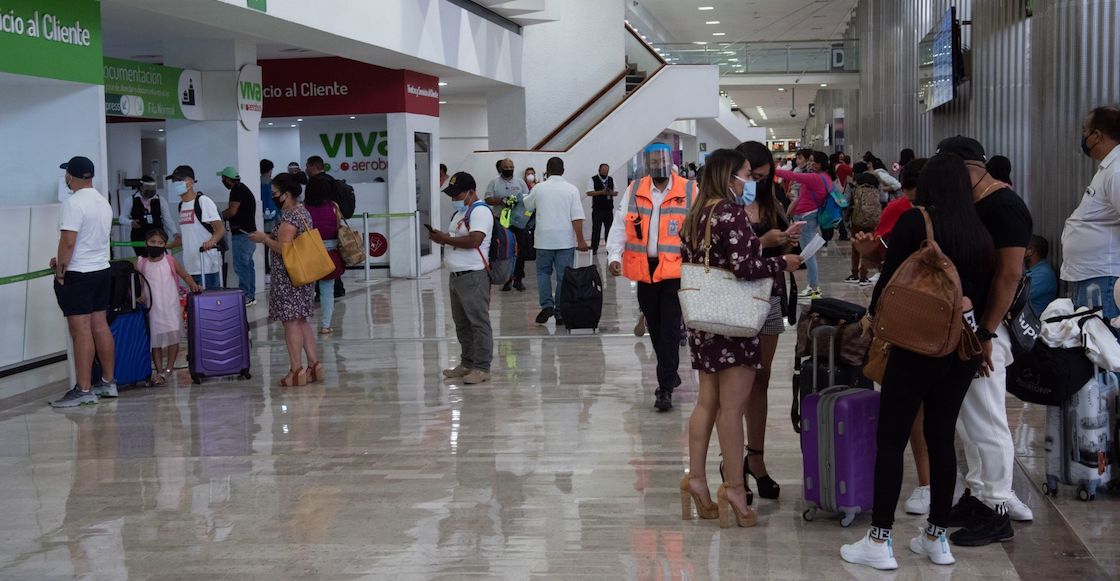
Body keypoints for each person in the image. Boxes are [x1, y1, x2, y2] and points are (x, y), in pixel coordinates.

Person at [840, 153, 995, 571]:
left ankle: (880, 539)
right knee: (942, 439)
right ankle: (937, 537)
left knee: (891, 439)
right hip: (960, 350)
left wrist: (872, 320)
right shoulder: (979, 230)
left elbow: (890, 280)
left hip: (914, 347)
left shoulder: (916, 221)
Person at [678, 148, 800, 529]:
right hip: (734, 321)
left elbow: (718, 259)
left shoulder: (697, 213)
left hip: (703, 318)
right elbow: (745, 268)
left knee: (706, 403)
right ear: (731, 175)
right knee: (732, 409)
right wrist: (785, 262)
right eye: (747, 174)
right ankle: (733, 487)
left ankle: (695, 478)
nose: (750, 181)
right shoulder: (729, 213)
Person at [936, 136, 1034, 545]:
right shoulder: (975, 205)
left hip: (987, 330)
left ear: (964, 169)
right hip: (968, 328)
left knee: (986, 419)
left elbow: (1009, 275)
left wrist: (987, 332)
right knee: (968, 419)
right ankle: (979, 494)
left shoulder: (1005, 207)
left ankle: (996, 505)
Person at [732, 141, 797, 502]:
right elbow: (724, 253)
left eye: (762, 177)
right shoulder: (725, 206)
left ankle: (755, 459)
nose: (755, 183)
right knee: (736, 385)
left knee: (762, 378)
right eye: (751, 176)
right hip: (734, 301)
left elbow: (779, 249)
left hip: (769, 296)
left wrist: (787, 243)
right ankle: (732, 463)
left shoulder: (773, 202)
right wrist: (762, 241)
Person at [607, 143, 694, 411]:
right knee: (655, 328)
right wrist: (614, 256)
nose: (658, 165)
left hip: (674, 271)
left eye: (662, 160)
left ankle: (664, 387)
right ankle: (670, 370)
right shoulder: (635, 189)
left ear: (670, 161)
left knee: (669, 328)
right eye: (653, 161)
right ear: (646, 163)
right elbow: (620, 224)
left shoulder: (689, 189)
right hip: (644, 271)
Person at [49, 156, 117, 408]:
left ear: (70, 177)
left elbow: (68, 241)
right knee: (100, 325)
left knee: (81, 331)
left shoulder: (73, 203)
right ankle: (108, 382)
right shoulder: (102, 202)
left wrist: (60, 272)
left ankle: (84, 389)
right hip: (101, 270)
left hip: (79, 273)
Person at [249, 173, 322, 387]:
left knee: (290, 322)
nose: (273, 197)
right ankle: (315, 366)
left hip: (289, 277)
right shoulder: (302, 212)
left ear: (286, 194)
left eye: (275, 194)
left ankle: (296, 369)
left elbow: (284, 249)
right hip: (304, 274)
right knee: (301, 320)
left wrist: (264, 239)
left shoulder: (289, 216)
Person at [430, 172, 493, 385]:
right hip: (456, 277)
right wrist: (441, 238)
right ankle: (467, 363)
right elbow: (456, 239)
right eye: (452, 195)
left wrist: (445, 238)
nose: (454, 199)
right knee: (462, 324)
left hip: (473, 275)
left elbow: (475, 240)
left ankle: (482, 367)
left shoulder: (481, 211)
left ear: (471, 192)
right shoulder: (460, 214)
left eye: (457, 195)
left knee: (478, 323)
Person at [1061, 106, 1120, 321]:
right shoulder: (1109, 168)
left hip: (1105, 276)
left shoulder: (1117, 170)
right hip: (1093, 275)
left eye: (1085, 131)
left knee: (1103, 347)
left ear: (1097, 136)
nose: (1083, 137)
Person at [524, 157, 588, 325]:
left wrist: (533, 188)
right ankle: (560, 311)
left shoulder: (539, 188)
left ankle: (547, 305)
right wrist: (581, 240)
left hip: (543, 240)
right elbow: (577, 216)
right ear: (563, 170)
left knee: (543, 273)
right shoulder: (571, 189)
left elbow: (527, 206)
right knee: (563, 276)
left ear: (547, 170)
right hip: (565, 240)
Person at [136, 228, 201, 386]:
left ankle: (169, 369)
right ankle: (159, 371)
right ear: (146, 242)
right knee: (155, 340)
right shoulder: (140, 262)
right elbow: (137, 284)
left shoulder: (170, 260)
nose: (156, 245)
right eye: (152, 242)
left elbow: (184, 275)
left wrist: (193, 285)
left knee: (173, 335)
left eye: (160, 243)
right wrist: (137, 297)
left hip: (170, 305)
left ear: (165, 245)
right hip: (153, 307)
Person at [775, 150, 835, 298]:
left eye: (813, 161)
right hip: (810, 215)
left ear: (820, 164)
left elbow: (792, 176)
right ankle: (813, 286)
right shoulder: (826, 177)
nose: (810, 163)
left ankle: (814, 288)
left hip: (807, 217)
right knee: (808, 252)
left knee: (808, 254)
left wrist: (771, 169)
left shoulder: (815, 177)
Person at [168, 165, 225, 290]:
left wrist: (211, 242)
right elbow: (188, 236)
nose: (175, 184)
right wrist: (165, 246)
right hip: (190, 267)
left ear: (191, 182)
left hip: (207, 265)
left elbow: (220, 229)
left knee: (209, 306)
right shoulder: (181, 206)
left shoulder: (203, 201)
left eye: (179, 181)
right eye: (174, 181)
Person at [303, 174, 344, 335]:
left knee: (306, 290)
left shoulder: (304, 208)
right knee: (327, 291)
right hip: (331, 252)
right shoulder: (333, 206)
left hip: (310, 252)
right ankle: (325, 325)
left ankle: (304, 323)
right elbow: (339, 227)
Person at [484, 158, 531, 292]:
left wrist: (519, 203)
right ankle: (506, 279)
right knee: (504, 250)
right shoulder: (494, 182)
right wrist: (501, 200)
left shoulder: (520, 182)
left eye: (511, 166)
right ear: (501, 168)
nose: (509, 169)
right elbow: (488, 199)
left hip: (518, 220)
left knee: (520, 249)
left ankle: (518, 279)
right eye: (506, 167)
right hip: (502, 219)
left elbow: (528, 199)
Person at [305, 156, 346, 298]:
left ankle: (324, 291)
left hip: (318, 233)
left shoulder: (314, 183)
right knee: (332, 261)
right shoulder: (331, 180)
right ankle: (337, 288)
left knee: (320, 263)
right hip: (332, 231)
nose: (306, 169)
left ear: (313, 166)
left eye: (307, 166)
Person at [218, 166, 259, 306]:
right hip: (249, 234)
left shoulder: (237, 190)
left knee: (241, 266)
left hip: (242, 235)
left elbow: (232, 211)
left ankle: (246, 296)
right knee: (248, 266)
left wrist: (217, 217)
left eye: (223, 179)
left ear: (228, 179)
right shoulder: (243, 188)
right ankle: (251, 295)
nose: (222, 181)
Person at [121, 176, 174, 257]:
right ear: (141, 187)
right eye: (147, 187)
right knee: (142, 260)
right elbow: (122, 218)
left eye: (153, 187)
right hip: (139, 236)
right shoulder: (130, 200)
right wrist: (130, 222)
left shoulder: (161, 200)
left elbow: (168, 219)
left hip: (158, 235)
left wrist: (175, 233)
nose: (150, 189)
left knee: (159, 259)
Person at [586, 163, 617, 255]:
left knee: (609, 230)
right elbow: (589, 192)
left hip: (609, 209)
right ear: (599, 170)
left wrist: (610, 192)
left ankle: (609, 248)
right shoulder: (593, 179)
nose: (605, 171)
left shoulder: (611, 179)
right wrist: (601, 192)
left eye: (607, 170)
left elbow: (616, 193)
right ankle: (594, 248)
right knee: (596, 229)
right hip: (597, 209)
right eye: (603, 169)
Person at [1025, 235, 1058, 315]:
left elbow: (1016, 297)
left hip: (1035, 322)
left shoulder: (1043, 274)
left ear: (1030, 250)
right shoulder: (1032, 270)